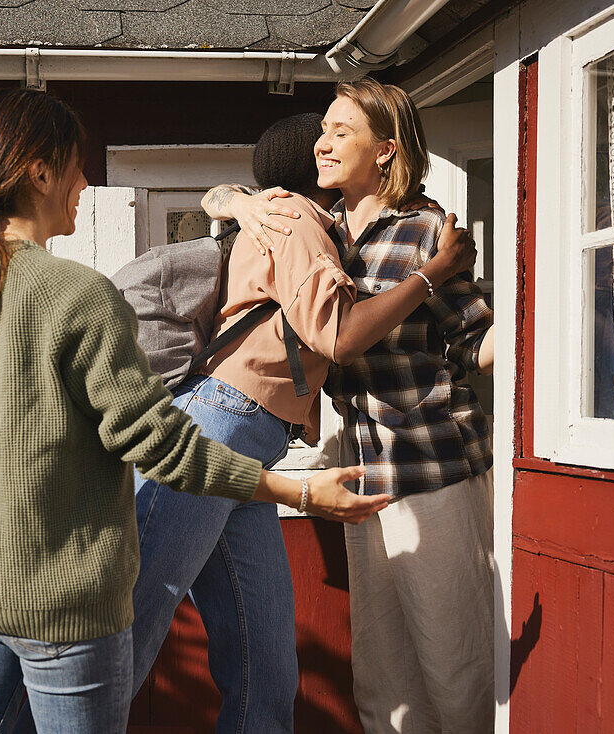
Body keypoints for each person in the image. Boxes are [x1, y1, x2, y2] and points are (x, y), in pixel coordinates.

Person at [0, 88, 390, 734]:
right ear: (41, 174)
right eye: (76, 165)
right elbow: (159, 444)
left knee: (262, 650)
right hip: (64, 611)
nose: (86, 182)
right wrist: (299, 494)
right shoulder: (77, 293)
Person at [129, 112, 478, 733]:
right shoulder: (297, 221)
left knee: (264, 661)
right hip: (224, 425)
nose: (328, 145)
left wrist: (236, 199)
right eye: (323, 137)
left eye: (339, 133)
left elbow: (229, 198)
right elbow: (337, 336)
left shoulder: (306, 220)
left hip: (250, 438)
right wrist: (430, 276)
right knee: (130, 628)